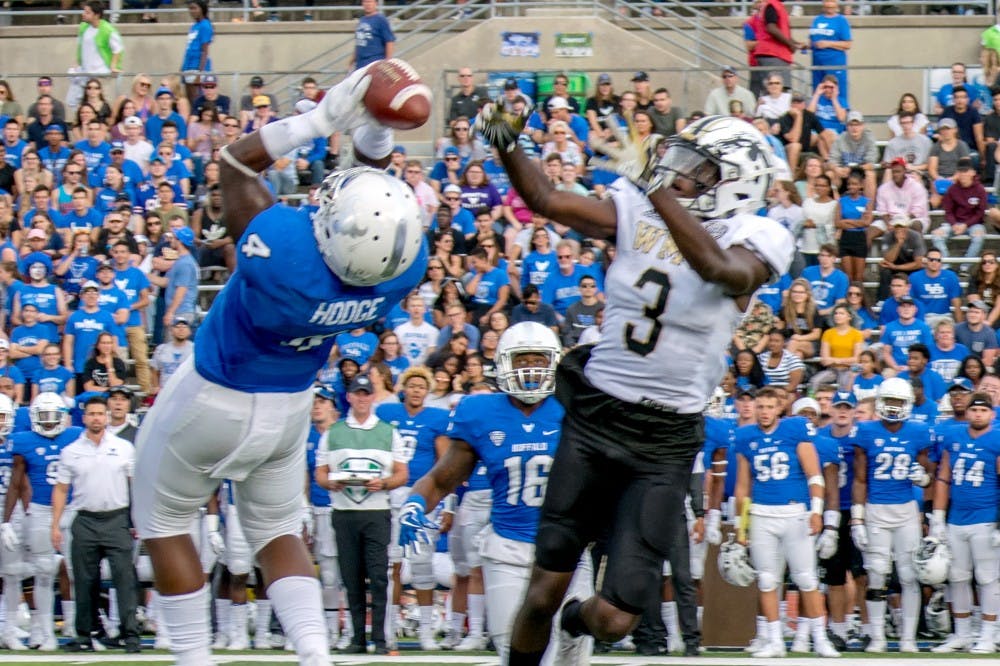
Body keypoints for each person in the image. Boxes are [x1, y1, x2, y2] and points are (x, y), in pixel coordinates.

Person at [131, 64, 428, 666]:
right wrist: (374, 132)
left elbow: (236, 164)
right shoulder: (399, 270)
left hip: (214, 393)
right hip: (290, 408)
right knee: (276, 533)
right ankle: (315, 655)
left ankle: (193, 657)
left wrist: (320, 120)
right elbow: (375, 205)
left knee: (162, 517)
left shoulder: (286, 258)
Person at [472, 107, 794, 662]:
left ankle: (578, 621)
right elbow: (548, 200)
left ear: (737, 182)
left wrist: (655, 189)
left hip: (664, 440)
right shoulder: (643, 203)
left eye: (703, 168)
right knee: (543, 588)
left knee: (618, 619)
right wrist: (507, 145)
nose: (685, 174)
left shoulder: (758, 233)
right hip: (596, 415)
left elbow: (723, 271)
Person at [398, 322, 591, 663]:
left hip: (567, 549)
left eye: (539, 358)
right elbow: (443, 478)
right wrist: (414, 503)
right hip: (508, 549)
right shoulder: (481, 412)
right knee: (517, 654)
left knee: (569, 657)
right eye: (521, 359)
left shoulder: (578, 406)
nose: (530, 368)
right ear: (503, 363)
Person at [733, 386, 839, 658]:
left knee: (806, 578)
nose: (764, 412)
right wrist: (739, 526)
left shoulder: (795, 429)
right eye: (760, 407)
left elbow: (814, 475)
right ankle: (774, 641)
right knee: (767, 580)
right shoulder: (746, 436)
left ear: (779, 408)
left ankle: (819, 638)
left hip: (795, 513)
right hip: (761, 514)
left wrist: (817, 511)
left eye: (769, 407)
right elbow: (743, 487)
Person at [313, 374, 408, 655]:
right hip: (344, 511)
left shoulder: (389, 432)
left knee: (378, 576)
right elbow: (321, 471)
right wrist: (330, 482)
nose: (363, 398)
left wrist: (385, 483)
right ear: (350, 397)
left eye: (367, 393)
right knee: (351, 576)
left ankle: (380, 637)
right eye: (358, 393)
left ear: (373, 396)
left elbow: (402, 473)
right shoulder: (335, 432)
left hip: (377, 510)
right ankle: (356, 638)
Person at [50, 395, 139, 652]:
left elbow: (136, 485)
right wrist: (55, 525)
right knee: (84, 580)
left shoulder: (124, 447)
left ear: (107, 416)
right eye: (92, 414)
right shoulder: (71, 451)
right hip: (85, 519)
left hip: (117, 518)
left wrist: (138, 520)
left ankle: (129, 634)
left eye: (101, 413)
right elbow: (60, 489)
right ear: (84, 417)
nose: (96, 418)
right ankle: (84, 635)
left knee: (124, 578)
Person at [850, 378, 933, 653]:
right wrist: (857, 518)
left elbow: (927, 475)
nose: (894, 407)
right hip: (876, 510)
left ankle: (907, 638)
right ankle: (877, 637)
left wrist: (922, 478)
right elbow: (860, 479)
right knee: (876, 575)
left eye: (899, 402)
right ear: (880, 402)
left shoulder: (918, 432)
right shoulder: (865, 431)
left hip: (906, 510)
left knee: (909, 575)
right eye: (890, 401)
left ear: (908, 404)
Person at [374, 366, 450, 651]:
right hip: (391, 493)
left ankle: (427, 632)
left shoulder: (437, 418)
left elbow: (444, 464)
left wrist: (447, 503)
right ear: (403, 388)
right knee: (392, 563)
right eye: (412, 385)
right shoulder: (386, 413)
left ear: (427, 391)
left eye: (422, 386)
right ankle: (389, 629)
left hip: (423, 497)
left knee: (421, 565)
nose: (416, 390)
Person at [930, 392, 1000, 653]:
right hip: (957, 518)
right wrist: (938, 517)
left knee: (987, 578)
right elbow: (943, 478)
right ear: (967, 413)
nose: (978, 415)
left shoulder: (996, 439)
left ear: (992, 415)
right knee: (957, 577)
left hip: (986, 518)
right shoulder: (954, 437)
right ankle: (962, 633)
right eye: (974, 410)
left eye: (983, 411)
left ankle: (988, 634)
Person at [67, 1, 124, 110]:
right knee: (80, 105)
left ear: (96, 15)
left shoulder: (108, 30)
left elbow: (118, 49)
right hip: (85, 74)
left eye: (87, 12)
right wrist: (76, 64)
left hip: (101, 75)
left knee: (103, 105)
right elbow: (80, 48)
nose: (83, 14)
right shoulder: (83, 27)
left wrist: (113, 66)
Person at [808, 0, 852, 99]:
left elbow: (848, 44)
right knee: (818, 91)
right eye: (827, 2)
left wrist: (828, 44)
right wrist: (807, 45)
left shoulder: (841, 20)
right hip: (817, 63)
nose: (829, 4)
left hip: (834, 63)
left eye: (831, 2)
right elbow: (811, 40)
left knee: (835, 91)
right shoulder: (817, 19)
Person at [181, 1, 213, 102]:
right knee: (189, 99)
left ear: (202, 9)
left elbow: (205, 51)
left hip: (197, 67)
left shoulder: (205, 25)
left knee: (197, 101)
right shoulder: (194, 26)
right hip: (188, 66)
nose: (192, 11)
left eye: (195, 8)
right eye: (190, 9)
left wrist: (200, 73)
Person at [349, 0, 395, 71]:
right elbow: (359, 42)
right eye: (365, 2)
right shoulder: (362, 20)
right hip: (360, 64)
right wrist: (352, 60)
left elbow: (389, 41)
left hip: (375, 64)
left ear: (375, 3)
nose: (368, 4)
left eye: (370, 2)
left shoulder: (381, 20)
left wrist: (387, 63)